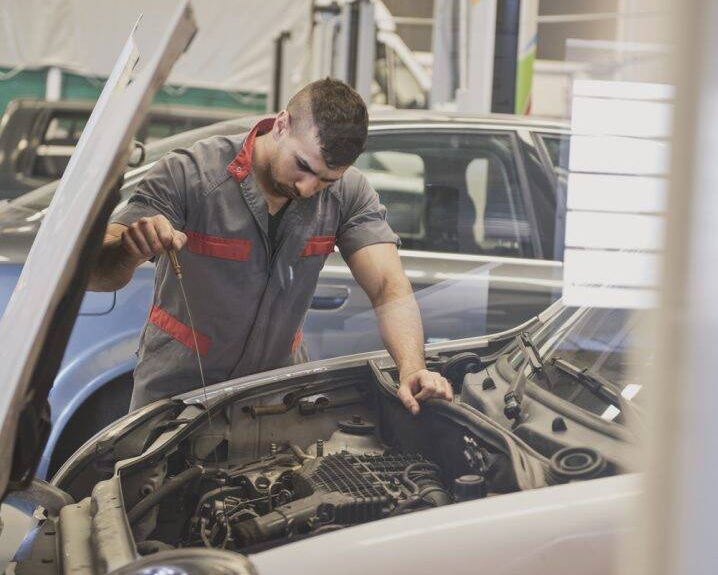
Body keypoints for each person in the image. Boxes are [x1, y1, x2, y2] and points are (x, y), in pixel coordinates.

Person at [88, 78, 453, 413]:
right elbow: (99, 274)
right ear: (281, 125)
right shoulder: (190, 175)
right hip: (175, 398)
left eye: (327, 180)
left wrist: (411, 367)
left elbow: (387, 284)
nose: (309, 189)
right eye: (303, 167)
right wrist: (128, 248)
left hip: (274, 400)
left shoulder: (348, 194)